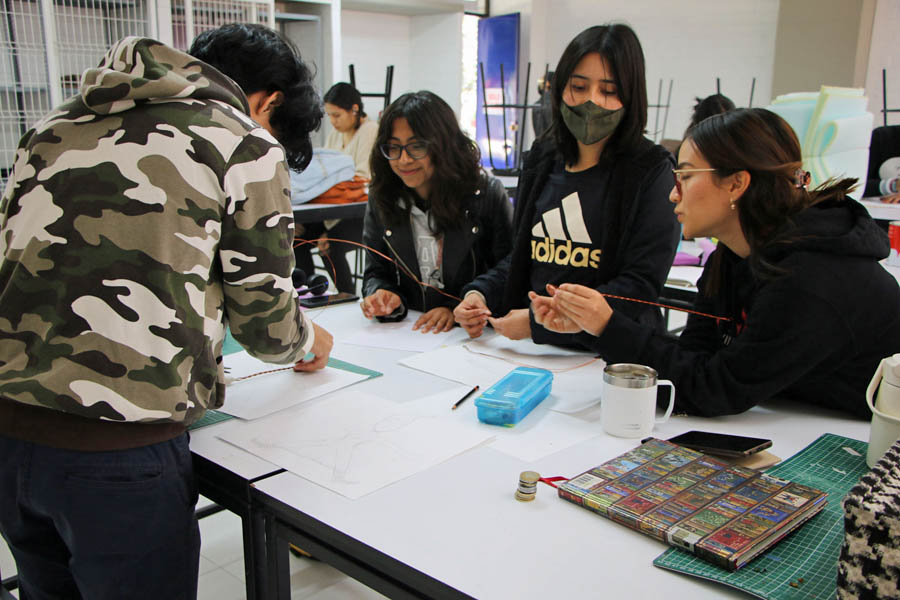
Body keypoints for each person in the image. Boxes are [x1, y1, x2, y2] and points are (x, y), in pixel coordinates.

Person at [0, 25, 333, 598]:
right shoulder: (240, 138)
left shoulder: (51, 129)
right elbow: (266, 326)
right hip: (116, 452)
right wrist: (309, 338)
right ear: (269, 101)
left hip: (10, 431)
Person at [531, 108, 900, 418]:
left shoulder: (810, 278)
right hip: (804, 417)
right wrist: (595, 325)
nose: (673, 193)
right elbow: (693, 358)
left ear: (736, 184)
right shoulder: (732, 254)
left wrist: (608, 326)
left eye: (686, 177)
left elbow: (713, 390)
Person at [454, 24, 680, 346]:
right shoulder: (542, 160)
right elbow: (522, 256)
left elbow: (640, 285)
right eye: (578, 86)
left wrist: (539, 324)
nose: (591, 102)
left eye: (609, 91)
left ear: (631, 97)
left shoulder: (652, 171)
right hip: (531, 350)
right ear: (559, 88)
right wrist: (480, 293)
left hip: (605, 353)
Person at [361, 90, 514, 332]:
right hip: (410, 334)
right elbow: (376, 270)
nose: (403, 160)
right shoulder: (383, 197)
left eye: (416, 147)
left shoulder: (485, 194)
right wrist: (383, 295)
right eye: (393, 148)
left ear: (444, 145)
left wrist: (457, 306)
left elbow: (510, 268)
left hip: (475, 337)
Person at [295, 82, 378, 293]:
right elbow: (324, 176)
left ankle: (346, 296)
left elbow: (362, 177)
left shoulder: (370, 130)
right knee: (296, 238)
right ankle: (308, 293)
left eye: (337, 115)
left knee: (329, 245)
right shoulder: (336, 135)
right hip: (335, 210)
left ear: (354, 110)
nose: (333, 121)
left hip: (361, 214)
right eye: (329, 116)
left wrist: (328, 182)